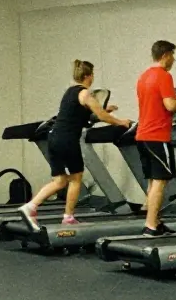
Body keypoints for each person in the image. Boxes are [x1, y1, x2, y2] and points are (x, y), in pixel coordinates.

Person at [18, 59, 130, 229]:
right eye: (92, 75)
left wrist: (104, 110)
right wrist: (121, 122)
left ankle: (30, 207)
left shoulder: (69, 92)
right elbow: (101, 116)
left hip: (54, 138)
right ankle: (68, 217)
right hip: (68, 140)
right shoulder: (85, 93)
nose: (93, 78)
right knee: (76, 178)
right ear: (88, 76)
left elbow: (82, 114)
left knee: (59, 181)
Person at [135, 40, 176, 237]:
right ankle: (150, 225)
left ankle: (155, 222)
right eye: (172, 55)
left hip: (142, 135)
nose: (174, 60)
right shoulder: (164, 76)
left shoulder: (144, 76)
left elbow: (156, 103)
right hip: (157, 136)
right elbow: (170, 105)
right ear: (166, 55)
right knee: (160, 182)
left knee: (153, 181)